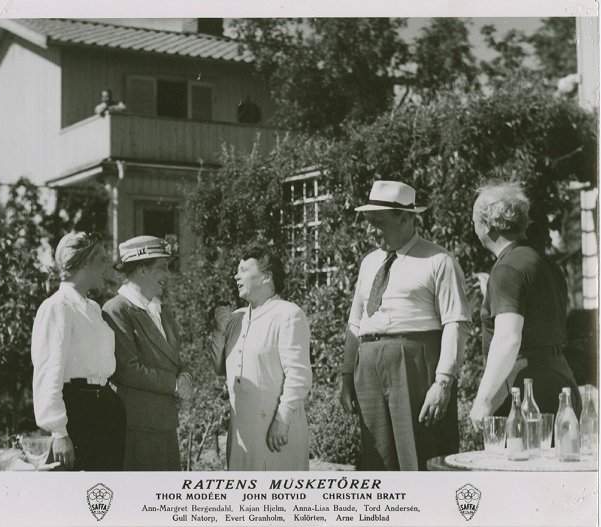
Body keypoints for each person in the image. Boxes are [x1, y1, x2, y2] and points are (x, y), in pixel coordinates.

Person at [341, 180, 471, 471]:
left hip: (413, 366)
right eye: (369, 222)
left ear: (406, 218)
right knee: (378, 461)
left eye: (378, 222)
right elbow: (355, 322)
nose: (371, 230)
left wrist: (443, 382)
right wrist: (347, 376)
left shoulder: (438, 260)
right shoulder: (368, 262)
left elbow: (455, 322)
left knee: (420, 454)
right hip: (370, 366)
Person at [469, 182, 581, 430]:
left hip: (525, 389)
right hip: (560, 378)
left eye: (474, 220)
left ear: (488, 224)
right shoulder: (544, 262)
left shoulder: (508, 269)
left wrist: (483, 400)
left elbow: (508, 339)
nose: (473, 227)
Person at [211, 245, 312, 470]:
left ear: (266, 277)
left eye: (244, 270)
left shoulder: (288, 314)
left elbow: (299, 374)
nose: (236, 275)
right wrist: (219, 332)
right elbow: (220, 368)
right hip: (241, 435)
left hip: (276, 432)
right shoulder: (236, 318)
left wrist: (282, 420)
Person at [31, 232, 125, 471]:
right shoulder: (57, 307)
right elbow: (48, 372)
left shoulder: (92, 308)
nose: (109, 265)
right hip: (78, 413)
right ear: (84, 262)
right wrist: (59, 432)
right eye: (102, 260)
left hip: (104, 408)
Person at [102, 236, 192, 470]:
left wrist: (186, 377)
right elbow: (127, 369)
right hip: (137, 428)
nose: (168, 275)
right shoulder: (117, 310)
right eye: (162, 268)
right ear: (142, 269)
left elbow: (175, 360)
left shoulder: (162, 311)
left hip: (165, 426)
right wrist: (174, 384)